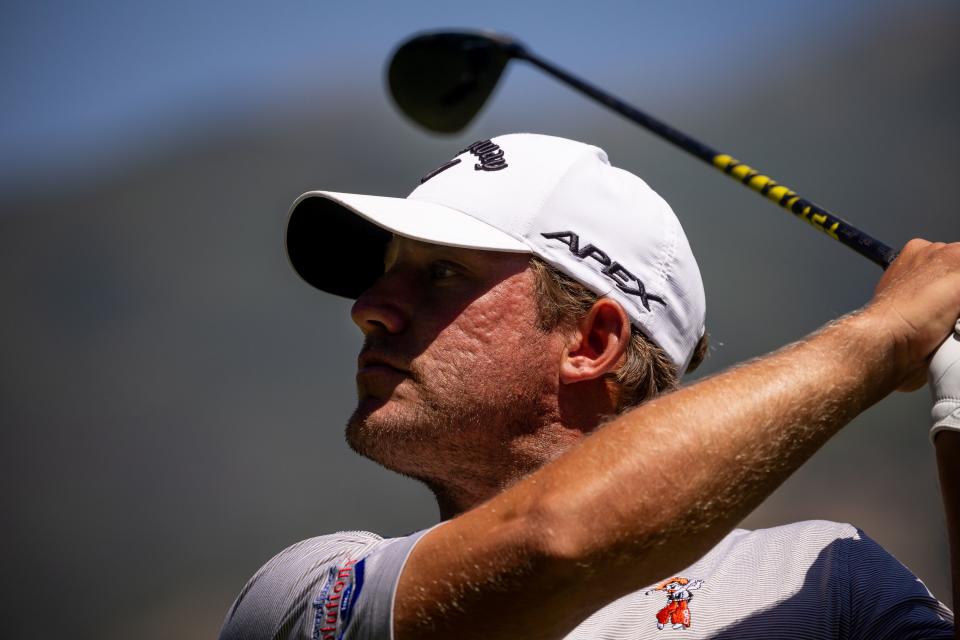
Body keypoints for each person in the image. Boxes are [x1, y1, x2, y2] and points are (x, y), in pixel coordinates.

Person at [220, 133, 957, 639]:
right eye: (387, 271)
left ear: (593, 342)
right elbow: (555, 542)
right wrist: (883, 336)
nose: (368, 309)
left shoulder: (824, 580)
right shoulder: (303, 592)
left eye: (441, 273)